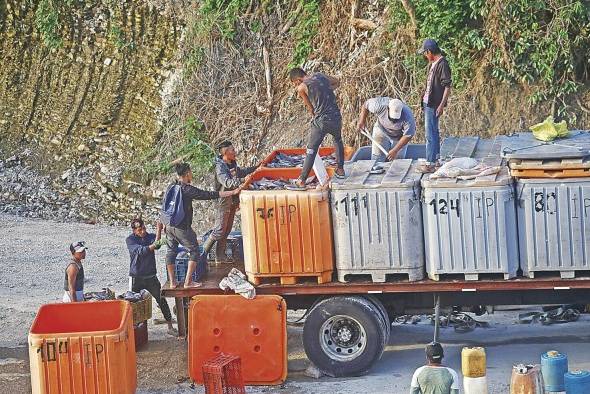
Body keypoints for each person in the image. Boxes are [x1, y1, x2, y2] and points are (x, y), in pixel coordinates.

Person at [164, 162, 237, 288]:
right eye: (190, 172)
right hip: (182, 227)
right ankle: (188, 282)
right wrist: (231, 192)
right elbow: (207, 195)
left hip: (169, 225)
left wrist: (162, 225)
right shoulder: (187, 189)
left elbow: (165, 205)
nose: (191, 174)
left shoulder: (171, 186)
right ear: (187, 173)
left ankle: (172, 282)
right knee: (194, 251)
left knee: (171, 251)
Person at [289, 67, 345, 189]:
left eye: (295, 84)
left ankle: (302, 180)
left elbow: (310, 108)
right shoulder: (320, 75)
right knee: (337, 140)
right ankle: (340, 170)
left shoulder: (302, 87)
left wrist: (315, 117)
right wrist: (327, 90)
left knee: (311, 149)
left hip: (322, 120)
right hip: (336, 117)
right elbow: (336, 81)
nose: (296, 86)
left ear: (297, 79)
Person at [201, 141, 257, 264]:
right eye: (232, 150)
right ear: (225, 153)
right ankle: (201, 256)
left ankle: (219, 257)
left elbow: (241, 172)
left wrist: (256, 168)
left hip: (233, 200)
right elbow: (226, 182)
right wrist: (243, 180)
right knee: (219, 230)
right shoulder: (220, 167)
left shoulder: (233, 163)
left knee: (227, 230)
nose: (235, 151)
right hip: (223, 201)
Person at [126, 218, 177, 336]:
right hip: (136, 276)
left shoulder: (149, 236)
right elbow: (141, 251)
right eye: (140, 230)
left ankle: (170, 326)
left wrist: (159, 230)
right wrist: (155, 244)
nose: (143, 231)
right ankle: (134, 329)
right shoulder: (130, 240)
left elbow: (157, 245)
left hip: (151, 276)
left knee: (161, 299)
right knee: (133, 303)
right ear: (134, 231)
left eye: (144, 228)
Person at [418, 38, 452, 173]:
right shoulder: (434, 63)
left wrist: (441, 105)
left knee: (430, 134)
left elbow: (447, 86)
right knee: (433, 132)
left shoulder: (442, 64)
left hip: (433, 104)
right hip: (428, 102)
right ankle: (436, 160)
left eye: (425, 53)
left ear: (429, 52)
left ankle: (430, 162)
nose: (425, 56)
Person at [357, 97, 416, 166]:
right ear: (388, 109)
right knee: (377, 160)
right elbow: (366, 105)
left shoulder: (408, 115)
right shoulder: (379, 105)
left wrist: (395, 150)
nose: (394, 120)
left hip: (399, 136)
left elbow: (408, 135)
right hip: (381, 130)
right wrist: (362, 121)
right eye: (392, 117)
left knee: (398, 163)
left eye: (396, 118)